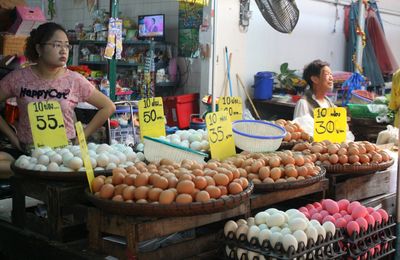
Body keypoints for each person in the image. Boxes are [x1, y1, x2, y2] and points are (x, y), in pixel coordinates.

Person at [0, 22, 116, 154]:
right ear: (39, 48)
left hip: (65, 154)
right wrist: (12, 137)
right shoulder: (18, 78)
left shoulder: (74, 80)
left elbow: (108, 107)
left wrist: (81, 138)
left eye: (66, 45)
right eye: (57, 45)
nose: (63, 50)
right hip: (28, 151)